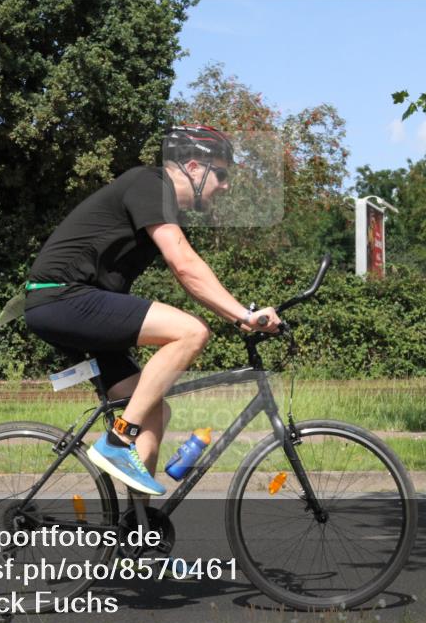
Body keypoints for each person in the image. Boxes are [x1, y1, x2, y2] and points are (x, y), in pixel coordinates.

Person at [24, 125, 281, 495]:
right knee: (191, 331)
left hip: (72, 302)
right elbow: (185, 265)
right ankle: (115, 444)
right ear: (194, 167)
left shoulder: (161, 200)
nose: (225, 186)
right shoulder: (149, 185)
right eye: (221, 174)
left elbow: (191, 277)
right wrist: (242, 314)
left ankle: (137, 534)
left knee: (154, 411)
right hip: (62, 296)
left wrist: (240, 316)